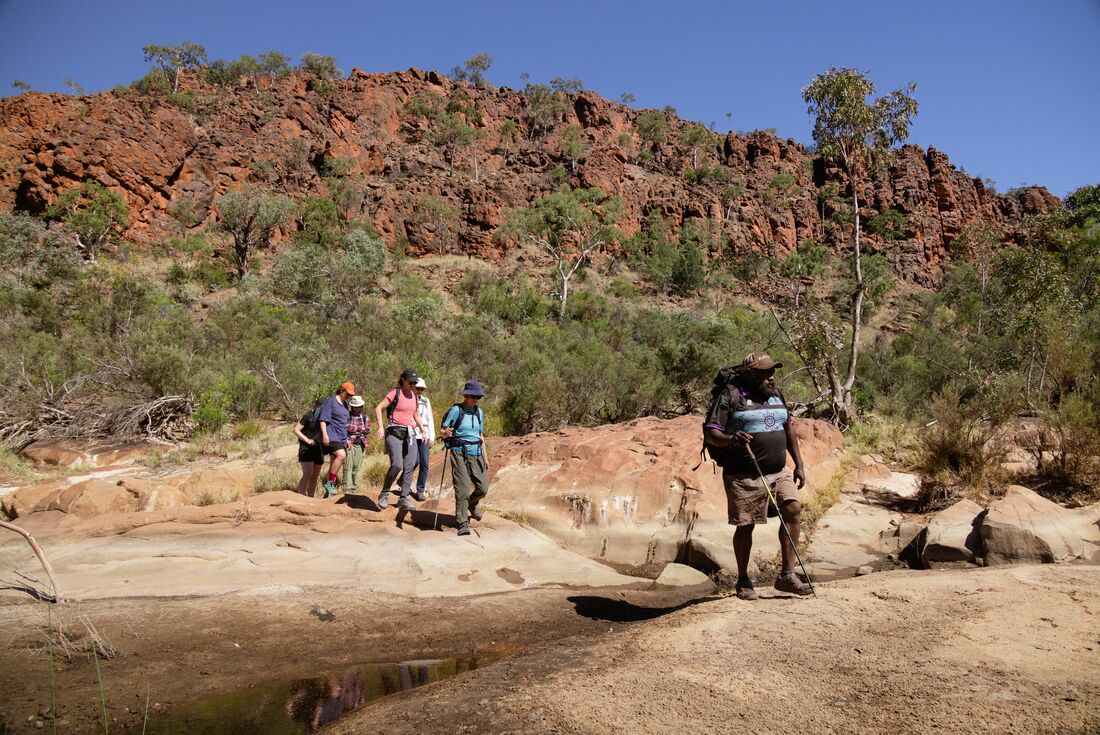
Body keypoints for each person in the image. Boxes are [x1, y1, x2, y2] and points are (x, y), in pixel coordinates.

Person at [703, 353, 812, 600]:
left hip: (778, 471)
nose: (771, 377)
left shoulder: (776, 395)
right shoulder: (730, 395)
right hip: (743, 474)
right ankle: (743, 581)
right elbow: (711, 433)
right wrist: (731, 439)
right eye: (765, 373)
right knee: (746, 525)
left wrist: (799, 464)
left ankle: (787, 576)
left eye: (772, 371)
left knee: (793, 509)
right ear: (749, 374)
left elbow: (788, 428)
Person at [439, 380, 489, 536]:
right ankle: (462, 522)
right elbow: (442, 430)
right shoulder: (456, 410)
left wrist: (485, 457)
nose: (475, 399)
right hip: (459, 451)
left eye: (478, 397)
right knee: (463, 488)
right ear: (466, 395)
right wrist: (445, 433)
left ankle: (472, 505)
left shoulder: (478, 412)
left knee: (483, 488)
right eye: (473, 396)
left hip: (477, 452)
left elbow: (481, 435)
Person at [374, 368, 428, 511]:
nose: (412, 385)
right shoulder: (395, 393)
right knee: (397, 465)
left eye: (414, 382)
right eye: (410, 382)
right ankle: (384, 494)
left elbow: (416, 415)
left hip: (410, 434)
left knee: (411, 464)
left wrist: (423, 430)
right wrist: (380, 427)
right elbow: (379, 408)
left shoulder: (415, 396)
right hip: (394, 432)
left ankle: (404, 498)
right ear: (403, 379)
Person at [319, 382, 355, 498]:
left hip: (341, 437)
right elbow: (323, 419)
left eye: (350, 395)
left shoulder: (345, 405)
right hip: (331, 434)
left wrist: (347, 439)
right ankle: (330, 483)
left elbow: (344, 424)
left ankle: (329, 493)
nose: (349, 396)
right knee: (341, 455)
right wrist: (325, 435)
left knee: (335, 460)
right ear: (342, 389)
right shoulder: (330, 401)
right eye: (347, 394)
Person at [293, 398, 325, 497]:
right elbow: (296, 430)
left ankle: (311, 499)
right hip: (306, 448)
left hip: (319, 448)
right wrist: (307, 440)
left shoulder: (325, 419)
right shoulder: (308, 416)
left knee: (315, 477)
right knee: (307, 474)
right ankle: (301, 498)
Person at [412, 377, 436, 502]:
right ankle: (402, 481)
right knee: (414, 461)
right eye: (418, 388)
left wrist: (432, 437)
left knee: (425, 463)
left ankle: (420, 491)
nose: (420, 391)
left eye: (422, 389)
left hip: (424, 434)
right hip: (412, 433)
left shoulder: (426, 401)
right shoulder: (409, 400)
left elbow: (430, 419)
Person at [342, 395, 371, 492]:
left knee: (357, 467)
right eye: (356, 406)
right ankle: (347, 488)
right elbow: (346, 427)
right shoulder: (347, 415)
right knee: (348, 465)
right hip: (350, 442)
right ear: (352, 407)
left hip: (361, 444)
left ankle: (354, 488)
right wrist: (360, 430)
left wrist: (354, 429)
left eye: (359, 406)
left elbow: (368, 430)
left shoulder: (364, 416)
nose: (358, 408)